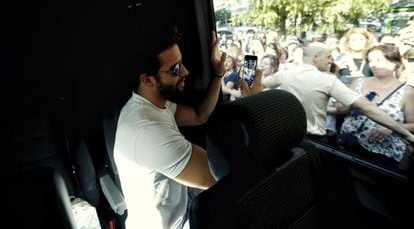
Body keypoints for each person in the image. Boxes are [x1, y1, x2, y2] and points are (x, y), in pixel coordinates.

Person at [113, 27, 226, 229]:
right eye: (175, 69)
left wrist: (218, 75)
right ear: (147, 79)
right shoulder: (148, 129)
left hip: (179, 212)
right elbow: (217, 176)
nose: (185, 72)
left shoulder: (154, 103)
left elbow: (200, 115)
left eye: (181, 63)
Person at [247, 42, 414, 145]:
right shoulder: (328, 80)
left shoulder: (285, 74)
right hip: (315, 141)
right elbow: (366, 107)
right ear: (315, 58)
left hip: (286, 138)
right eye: (328, 57)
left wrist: (249, 69)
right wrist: (405, 133)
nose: (330, 61)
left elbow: (256, 87)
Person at [338, 45, 414, 168]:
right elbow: (340, 109)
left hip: (383, 153)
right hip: (349, 144)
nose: (373, 64)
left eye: (379, 60)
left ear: (395, 63)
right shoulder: (358, 83)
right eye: (370, 61)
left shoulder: (407, 91)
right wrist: (350, 105)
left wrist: (391, 127)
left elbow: (413, 124)